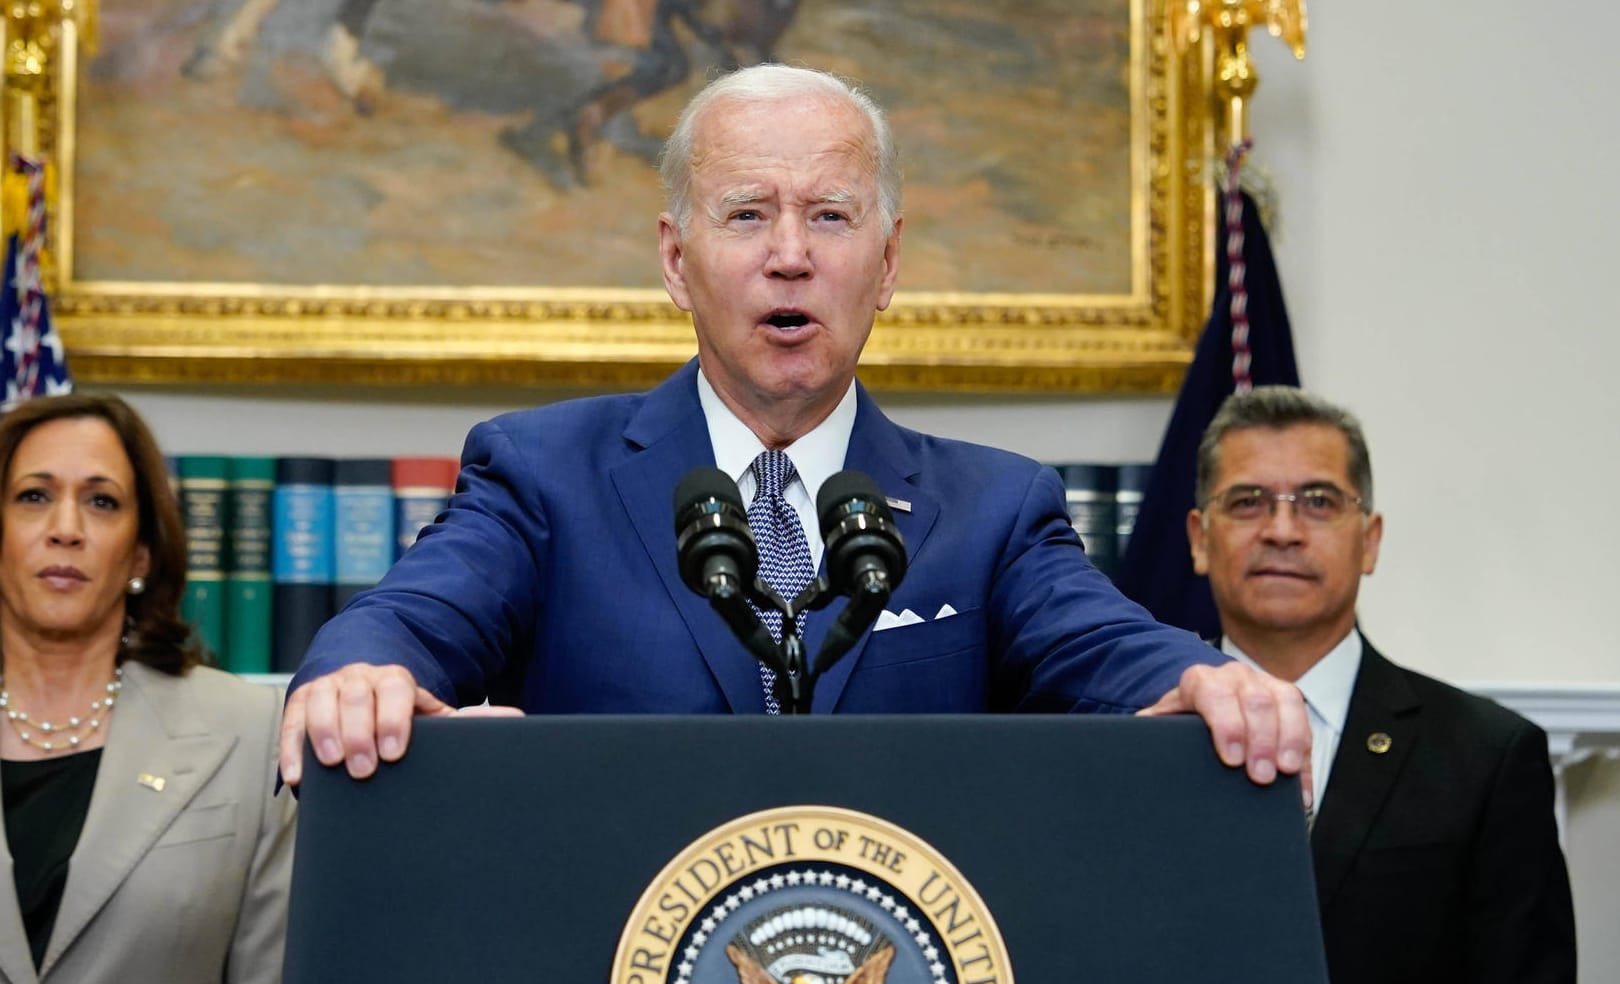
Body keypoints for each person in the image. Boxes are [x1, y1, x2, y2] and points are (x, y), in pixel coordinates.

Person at [280, 63, 1311, 803]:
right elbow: (404, 624)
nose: (789, 256)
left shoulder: (994, 511)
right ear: (677, 262)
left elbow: (1113, 648)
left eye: (829, 215)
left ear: (889, 262)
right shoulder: (545, 474)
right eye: (744, 216)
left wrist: (1202, 681)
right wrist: (363, 673)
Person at [1186, 386, 1579, 984]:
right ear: (1198, 539)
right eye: (1248, 502)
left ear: (1368, 541)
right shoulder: (1121, 734)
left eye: (1319, 501)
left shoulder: (1487, 757)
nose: (1282, 530)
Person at [0, 393, 295, 984]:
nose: (66, 528)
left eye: (101, 502)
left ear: (139, 553)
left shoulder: (247, 736)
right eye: (34, 496)